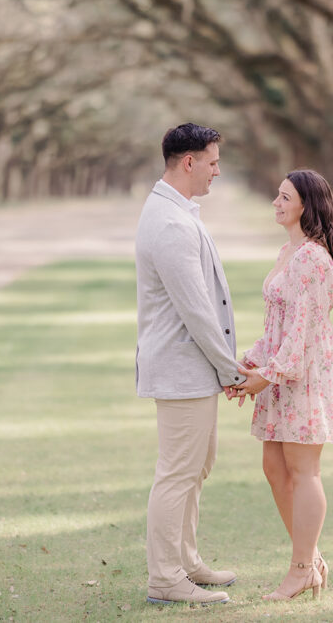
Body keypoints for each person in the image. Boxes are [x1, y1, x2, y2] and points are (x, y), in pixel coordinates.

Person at [134, 122, 246, 606]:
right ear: (189, 162)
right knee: (178, 472)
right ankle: (164, 578)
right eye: (213, 161)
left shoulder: (177, 212)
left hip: (193, 369)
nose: (217, 171)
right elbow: (196, 310)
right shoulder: (170, 222)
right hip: (183, 369)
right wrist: (232, 371)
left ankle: (187, 560)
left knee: (196, 467)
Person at [231, 168, 333, 602]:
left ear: (307, 205)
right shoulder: (288, 254)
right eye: (277, 196)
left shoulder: (313, 258)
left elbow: (301, 334)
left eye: (285, 197)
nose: (277, 203)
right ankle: (313, 557)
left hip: (303, 376)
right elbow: (278, 327)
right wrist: (251, 362)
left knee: (304, 472)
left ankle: (301, 568)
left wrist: (268, 375)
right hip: (280, 371)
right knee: (274, 468)